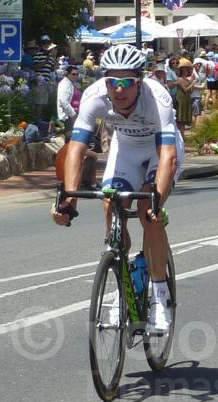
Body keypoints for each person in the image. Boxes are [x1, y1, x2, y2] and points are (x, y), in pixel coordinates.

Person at [52, 44, 184, 335]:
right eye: (113, 82)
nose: (119, 90)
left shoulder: (157, 98)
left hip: (159, 151)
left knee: (147, 212)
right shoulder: (94, 96)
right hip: (125, 150)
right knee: (110, 204)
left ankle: (159, 297)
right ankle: (121, 286)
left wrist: (156, 202)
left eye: (127, 83)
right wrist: (69, 201)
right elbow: (75, 148)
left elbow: (168, 157)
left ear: (140, 81)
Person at [32, 35, 56, 120]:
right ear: (42, 44)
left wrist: (54, 64)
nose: (47, 45)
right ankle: (36, 119)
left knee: (43, 103)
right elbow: (35, 67)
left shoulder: (51, 57)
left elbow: (51, 68)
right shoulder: (38, 54)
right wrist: (46, 60)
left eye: (48, 43)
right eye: (45, 43)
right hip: (39, 81)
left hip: (46, 82)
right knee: (38, 103)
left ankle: (39, 119)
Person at [57, 65, 81, 139]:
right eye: (73, 74)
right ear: (67, 74)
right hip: (68, 117)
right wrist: (73, 115)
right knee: (70, 138)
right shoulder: (64, 84)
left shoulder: (70, 83)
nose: (76, 76)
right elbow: (63, 101)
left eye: (77, 74)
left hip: (73, 116)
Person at [175, 58, 195, 137]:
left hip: (187, 99)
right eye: (183, 70)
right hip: (181, 99)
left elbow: (190, 91)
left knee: (184, 118)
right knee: (180, 118)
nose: (185, 72)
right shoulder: (179, 79)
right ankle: (180, 135)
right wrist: (192, 84)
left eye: (186, 70)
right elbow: (185, 89)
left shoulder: (188, 79)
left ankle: (182, 135)